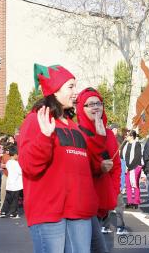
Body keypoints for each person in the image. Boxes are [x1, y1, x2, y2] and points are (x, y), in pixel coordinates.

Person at [18, 64, 98, 253]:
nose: (75, 92)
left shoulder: (73, 125)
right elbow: (29, 166)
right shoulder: (35, 120)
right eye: (70, 86)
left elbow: (86, 168)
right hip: (49, 212)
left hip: (79, 211)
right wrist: (45, 137)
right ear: (54, 90)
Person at [76, 87, 121, 253]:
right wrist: (98, 168)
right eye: (90, 104)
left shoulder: (109, 134)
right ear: (81, 108)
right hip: (83, 202)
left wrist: (113, 192)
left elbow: (116, 167)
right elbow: (77, 168)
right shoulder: (77, 133)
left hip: (104, 202)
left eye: (99, 103)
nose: (96, 107)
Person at [120, 130, 142, 209]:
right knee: (128, 185)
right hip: (126, 167)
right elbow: (121, 154)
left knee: (134, 184)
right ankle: (129, 202)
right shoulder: (125, 144)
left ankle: (136, 202)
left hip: (135, 167)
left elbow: (137, 157)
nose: (126, 137)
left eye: (128, 135)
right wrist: (125, 166)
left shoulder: (137, 144)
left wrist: (129, 167)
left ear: (132, 136)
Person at [0, 146, 22, 218]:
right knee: (15, 200)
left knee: (7, 199)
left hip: (9, 184)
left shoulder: (8, 162)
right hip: (16, 185)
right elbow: (20, 172)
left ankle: (3, 212)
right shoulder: (16, 163)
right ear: (15, 155)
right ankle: (13, 213)